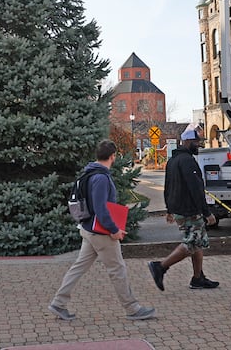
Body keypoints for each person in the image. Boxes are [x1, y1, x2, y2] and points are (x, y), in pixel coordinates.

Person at [48, 140, 155, 321]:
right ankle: (132, 308)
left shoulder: (90, 173)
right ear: (113, 156)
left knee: (79, 267)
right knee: (117, 269)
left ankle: (58, 303)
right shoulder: (101, 178)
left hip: (89, 229)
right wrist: (114, 230)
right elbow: (101, 209)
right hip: (101, 232)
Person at [149, 126, 219, 291]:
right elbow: (196, 188)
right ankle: (161, 267)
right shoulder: (187, 161)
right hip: (189, 209)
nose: (198, 145)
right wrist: (207, 212)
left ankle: (198, 278)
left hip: (179, 208)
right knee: (193, 242)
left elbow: (167, 186)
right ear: (187, 141)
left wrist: (169, 209)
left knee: (197, 242)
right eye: (196, 142)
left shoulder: (173, 160)